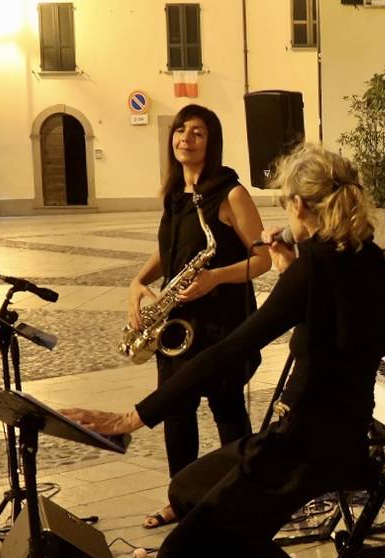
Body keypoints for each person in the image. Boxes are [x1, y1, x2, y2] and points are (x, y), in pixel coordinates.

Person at [65, 144, 385, 558]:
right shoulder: (376, 266)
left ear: (302, 208)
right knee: (187, 489)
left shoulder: (314, 270)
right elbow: (350, 338)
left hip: (301, 449)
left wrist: (136, 415)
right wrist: (293, 275)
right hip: (342, 439)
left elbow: (229, 350)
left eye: (286, 204)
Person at [128, 104, 271, 529]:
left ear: (212, 143)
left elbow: (261, 260)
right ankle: (182, 500)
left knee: (227, 408)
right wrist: (137, 282)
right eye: (180, 131)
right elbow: (168, 248)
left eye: (197, 133)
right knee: (177, 411)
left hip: (221, 323)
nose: (185, 139)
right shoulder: (175, 196)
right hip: (178, 324)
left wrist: (215, 279)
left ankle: (243, 498)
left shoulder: (230, 194)